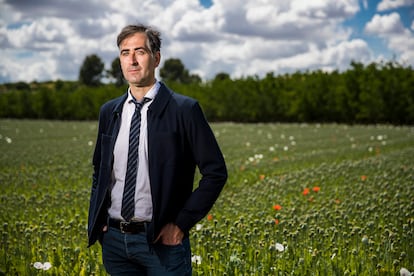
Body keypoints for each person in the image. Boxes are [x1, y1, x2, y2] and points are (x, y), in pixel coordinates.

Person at [87, 23, 227, 275]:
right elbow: (100, 171)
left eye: (140, 51)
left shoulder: (184, 110)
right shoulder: (110, 111)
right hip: (115, 243)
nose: (132, 60)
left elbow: (215, 172)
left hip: (162, 243)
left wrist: (181, 224)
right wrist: (99, 225)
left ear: (156, 58)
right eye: (124, 52)